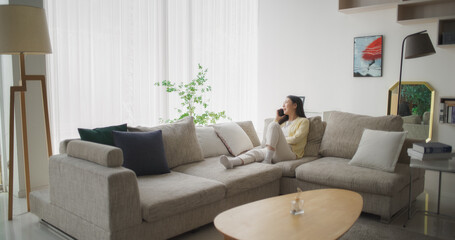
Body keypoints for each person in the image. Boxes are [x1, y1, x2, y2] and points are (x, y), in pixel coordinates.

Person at [220, 95, 310, 169]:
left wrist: (278, 139)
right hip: (274, 151)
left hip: (290, 153)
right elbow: (269, 138)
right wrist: (277, 119)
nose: (283, 106)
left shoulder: (303, 121)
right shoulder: (282, 123)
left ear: (295, 105)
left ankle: (267, 160)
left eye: (286, 103)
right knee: (256, 152)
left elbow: (296, 139)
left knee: (274, 125)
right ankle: (232, 162)